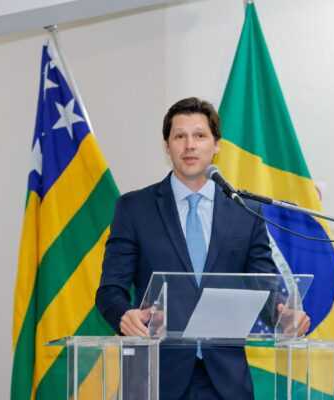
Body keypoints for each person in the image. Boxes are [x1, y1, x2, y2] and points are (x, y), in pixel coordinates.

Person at [96, 97, 310, 400]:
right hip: (156, 375)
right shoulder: (134, 208)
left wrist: (283, 314)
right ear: (167, 146)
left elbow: (262, 283)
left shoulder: (245, 211)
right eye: (179, 136)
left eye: (199, 135)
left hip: (226, 380)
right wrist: (123, 315)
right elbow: (109, 290)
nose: (190, 145)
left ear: (216, 144)